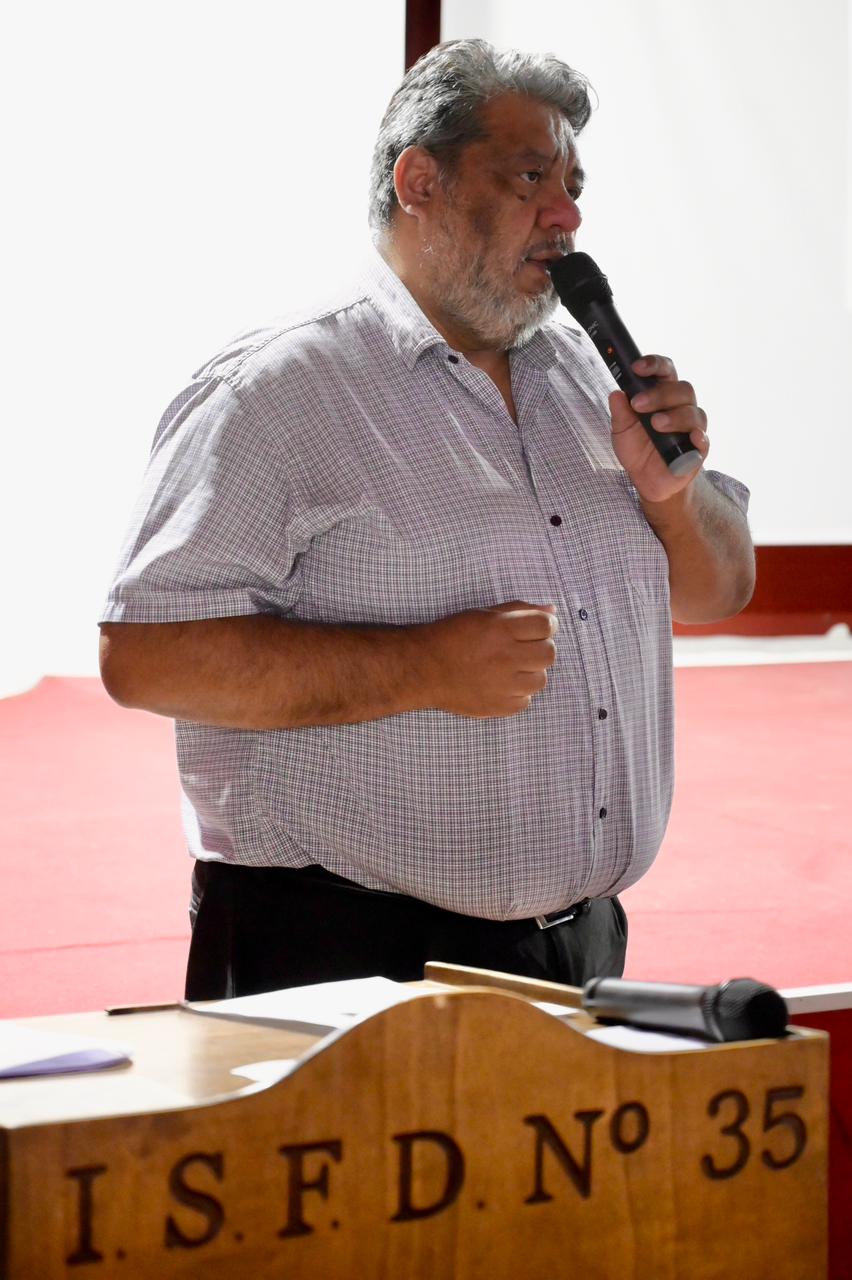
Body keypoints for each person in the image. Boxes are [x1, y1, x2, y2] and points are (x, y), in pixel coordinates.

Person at [99, 39, 755, 1000]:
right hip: (341, 956)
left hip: (581, 952)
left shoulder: (590, 376)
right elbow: (145, 657)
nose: (567, 215)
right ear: (420, 183)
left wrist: (675, 498)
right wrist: (424, 667)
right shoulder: (276, 392)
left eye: (573, 185)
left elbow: (723, 589)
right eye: (530, 177)